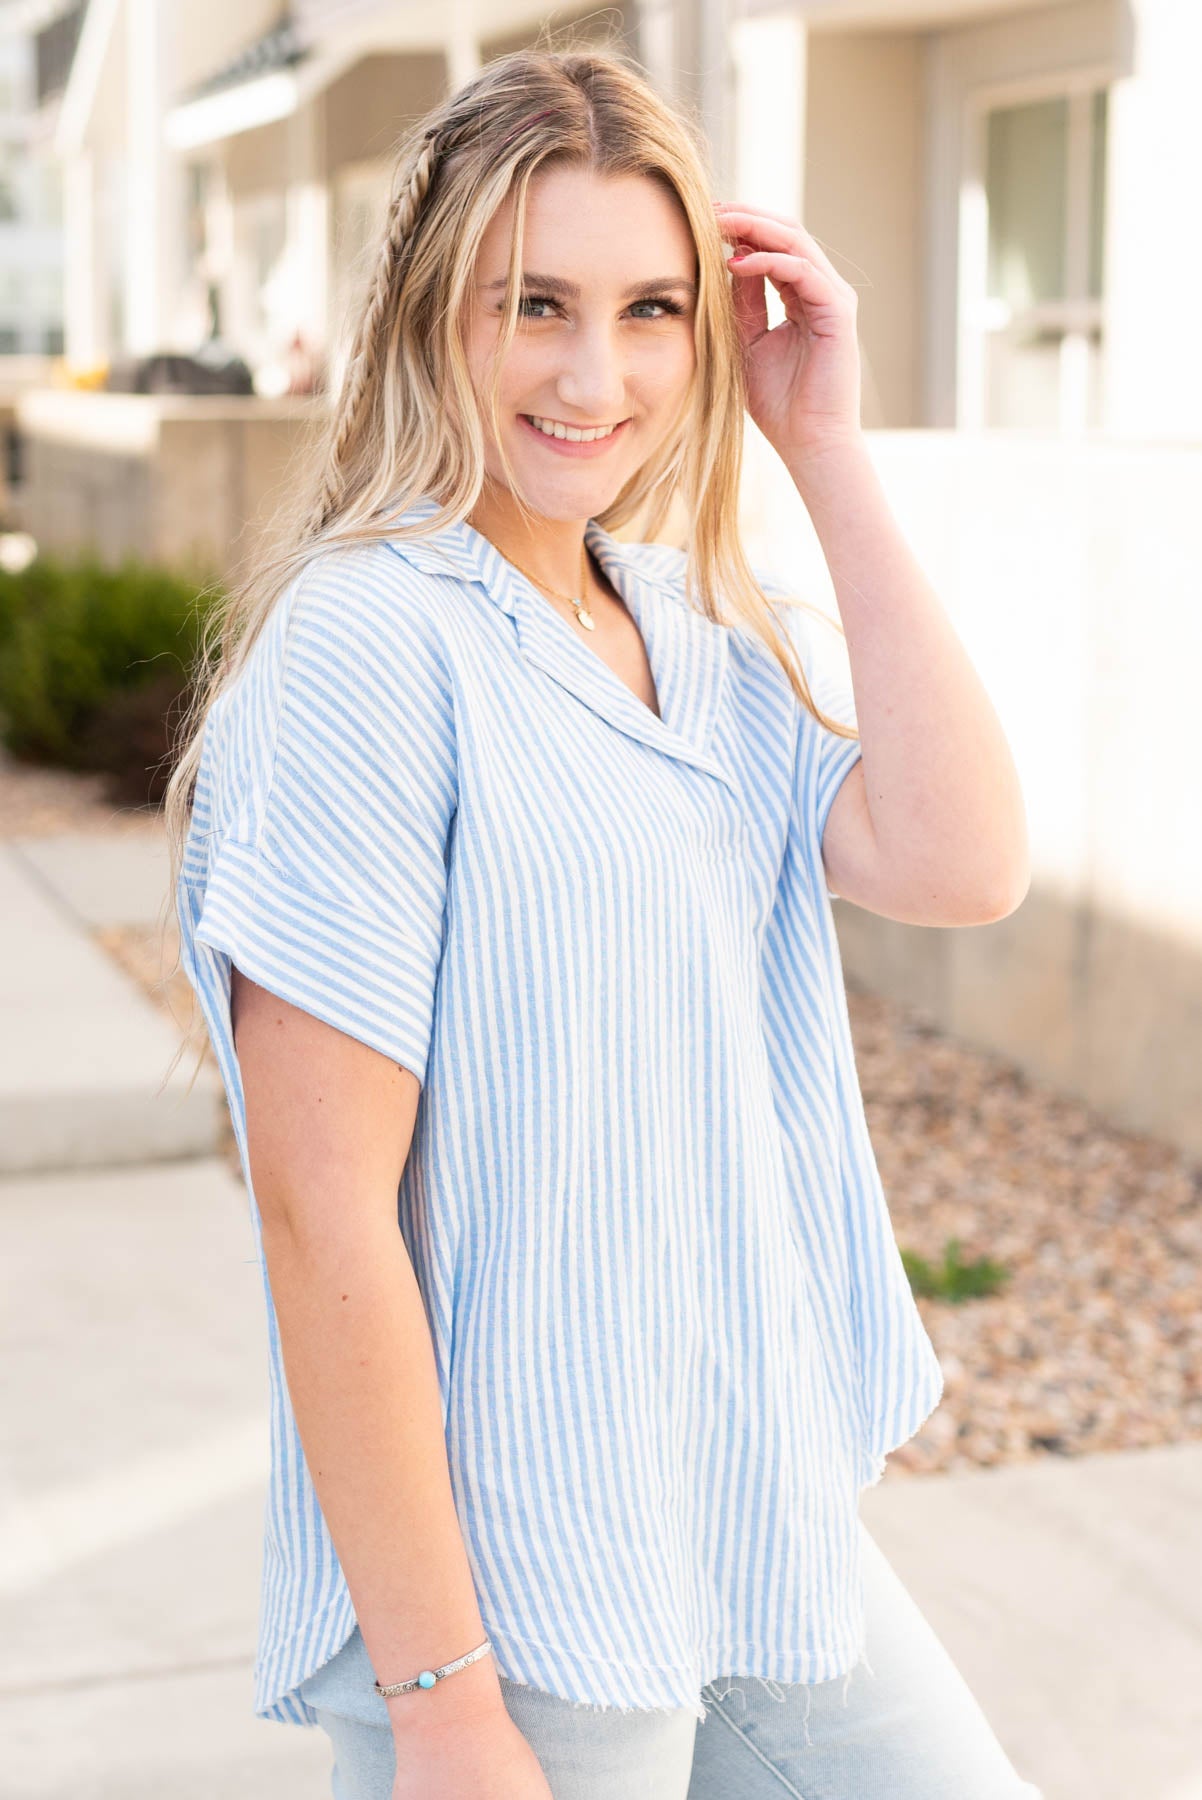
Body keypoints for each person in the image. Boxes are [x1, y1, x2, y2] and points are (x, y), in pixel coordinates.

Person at [163, 38, 1040, 1800]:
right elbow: (320, 1207)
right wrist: (439, 1703)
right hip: (523, 1595)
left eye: (650, 312)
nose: (592, 372)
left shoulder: (688, 636)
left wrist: (826, 446)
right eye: (532, 304)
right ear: (431, 317)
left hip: (751, 1526)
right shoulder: (369, 649)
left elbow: (959, 862)